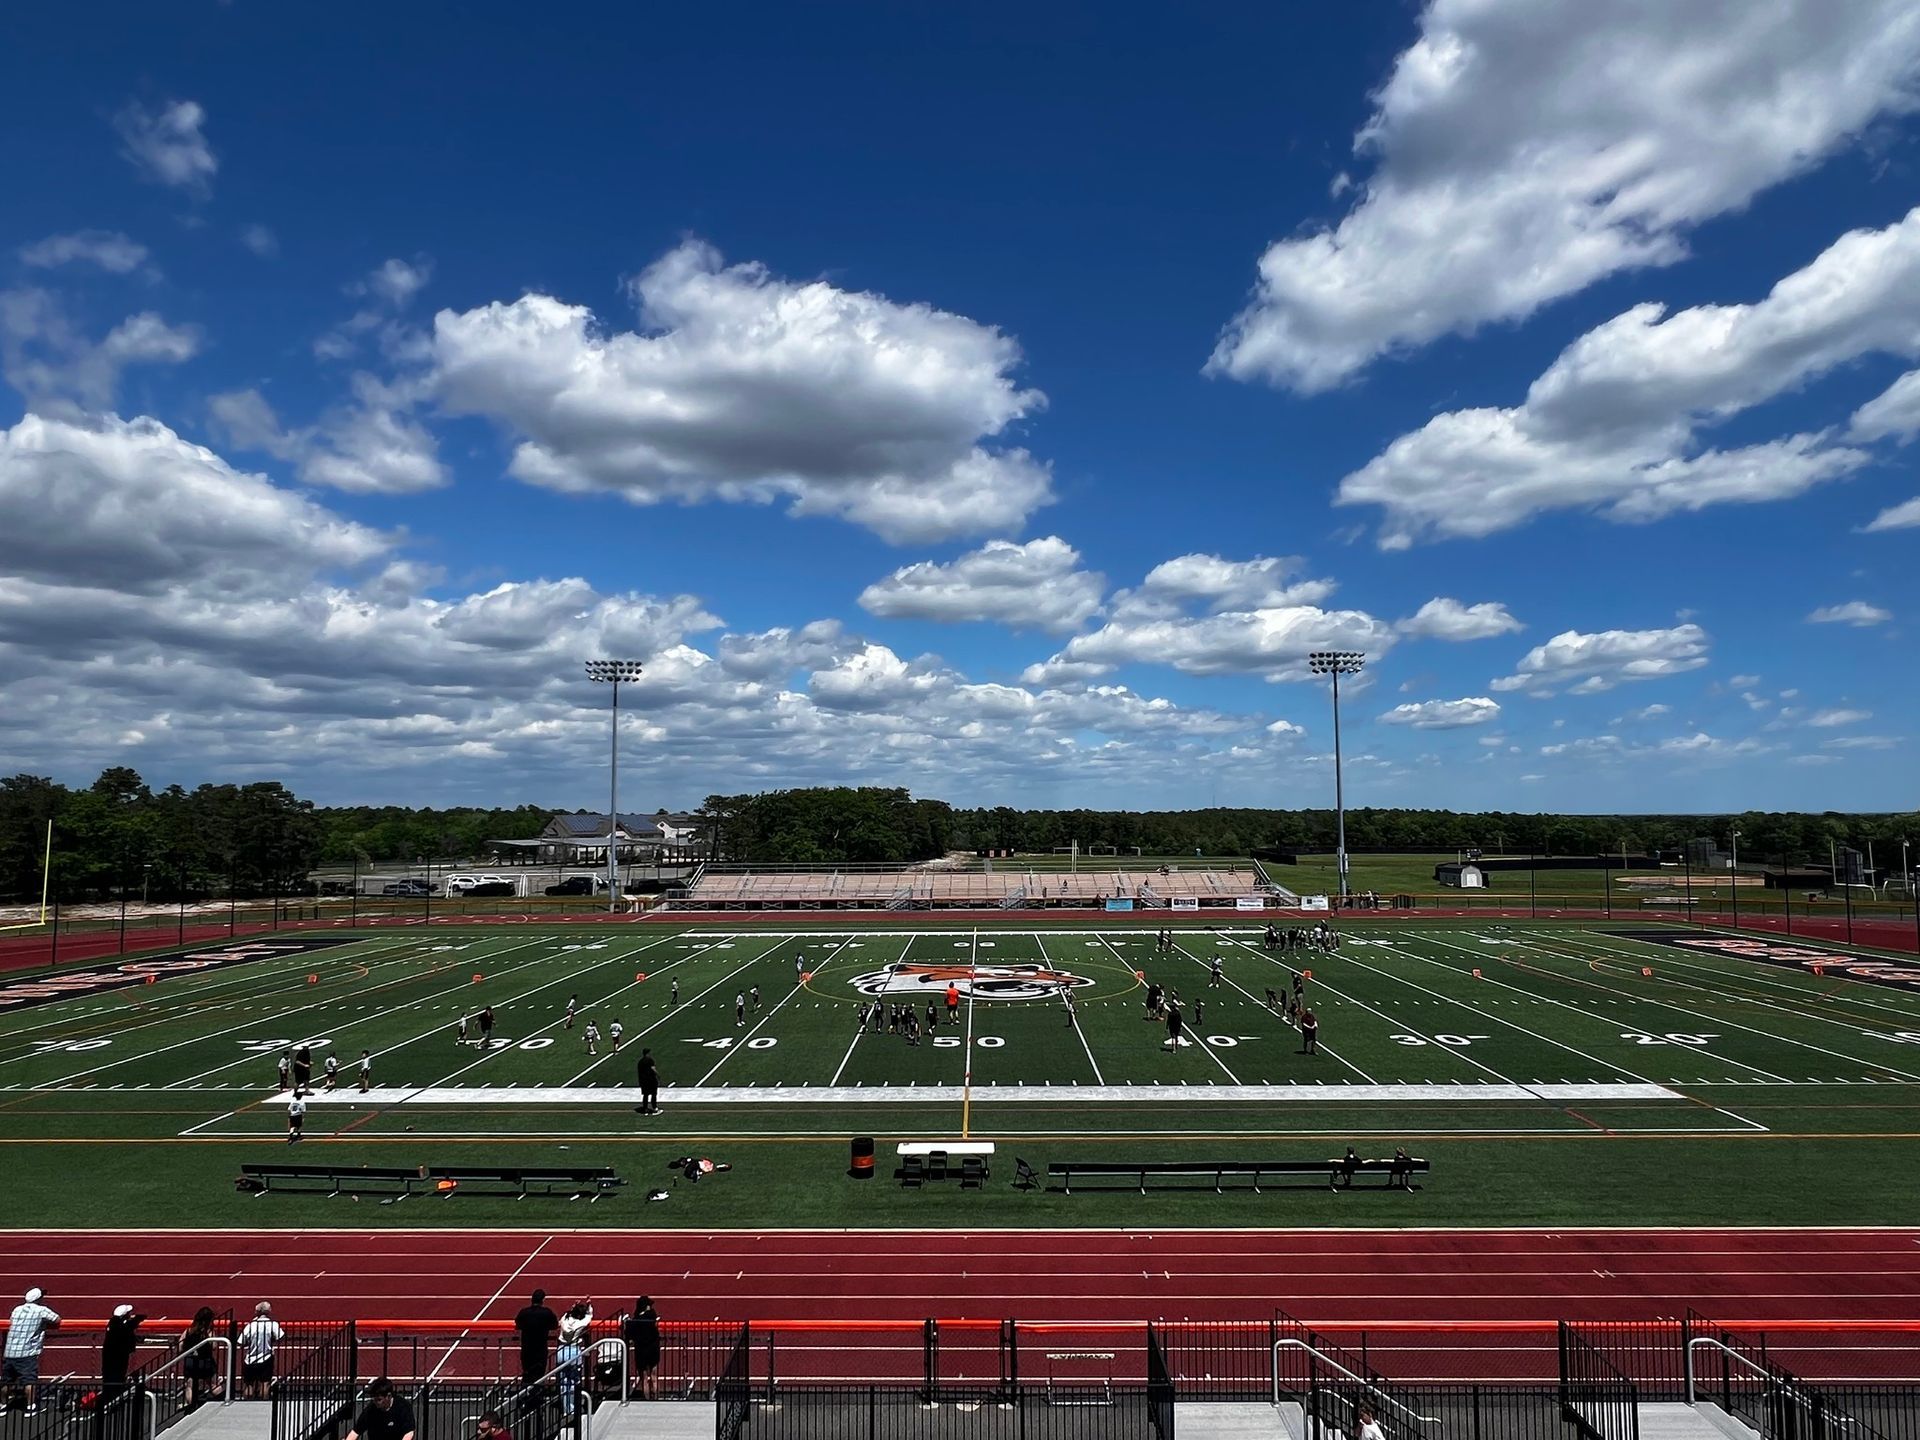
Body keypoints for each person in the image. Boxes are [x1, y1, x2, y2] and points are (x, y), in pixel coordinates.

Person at [3, 1287, 59, 1413]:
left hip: (10, 1350)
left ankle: (2, 1405)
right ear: (39, 1299)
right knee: (29, 1380)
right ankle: (30, 1407)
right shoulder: (41, 1310)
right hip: (27, 1352)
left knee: (7, 1381)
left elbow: (12, 1321)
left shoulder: (17, 1309)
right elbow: (57, 1319)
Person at [344, 1377, 416, 1440]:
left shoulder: (403, 1407)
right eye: (374, 1399)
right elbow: (356, 1431)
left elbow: (409, 1432)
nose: (375, 1402)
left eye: (379, 1400)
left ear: (388, 1396)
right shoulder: (371, 1410)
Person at [239, 1301, 284, 1400]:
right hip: (266, 1358)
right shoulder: (272, 1324)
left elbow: (241, 1341)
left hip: (250, 1359)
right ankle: (263, 1403)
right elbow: (280, 1337)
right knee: (265, 1383)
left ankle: (246, 1403)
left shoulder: (250, 1325)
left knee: (248, 1384)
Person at [514, 1289, 558, 1387]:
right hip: (540, 1350)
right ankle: (536, 1396)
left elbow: (518, 1324)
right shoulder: (546, 1313)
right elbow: (555, 1325)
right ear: (542, 1300)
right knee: (539, 1375)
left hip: (526, 1349)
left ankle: (525, 1395)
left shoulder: (524, 1312)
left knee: (527, 1373)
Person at [100, 1304, 143, 1395]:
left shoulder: (112, 1324)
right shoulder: (121, 1326)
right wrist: (136, 1319)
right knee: (116, 1378)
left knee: (109, 1379)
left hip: (109, 1358)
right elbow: (133, 1323)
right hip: (118, 1359)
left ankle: (110, 1396)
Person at [182, 1306, 221, 1409]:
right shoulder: (209, 1332)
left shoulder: (189, 1331)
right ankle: (221, 1403)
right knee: (213, 1384)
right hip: (205, 1361)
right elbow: (214, 1346)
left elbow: (180, 1346)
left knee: (190, 1385)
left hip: (191, 1361)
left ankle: (190, 1406)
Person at [623, 1297, 661, 1400]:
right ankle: (656, 1398)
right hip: (653, 1350)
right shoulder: (652, 1316)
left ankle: (647, 1400)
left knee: (644, 1378)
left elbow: (629, 1333)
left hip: (641, 1351)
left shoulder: (635, 1321)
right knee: (654, 1376)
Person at [636, 1048, 659, 1116]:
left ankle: (645, 1108)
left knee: (645, 1095)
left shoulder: (640, 1061)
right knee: (653, 1094)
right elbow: (653, 1068)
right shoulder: (650, 1060)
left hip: (643, 1080)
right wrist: (658, 1075)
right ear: (648, 1053)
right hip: (651, 1079)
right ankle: (654, 1107)